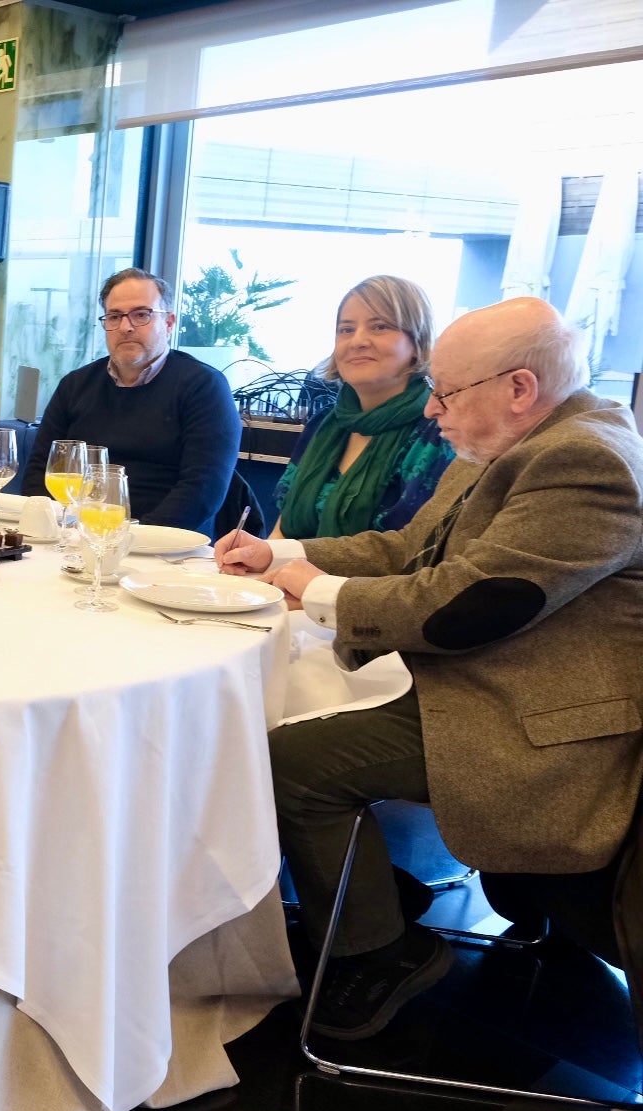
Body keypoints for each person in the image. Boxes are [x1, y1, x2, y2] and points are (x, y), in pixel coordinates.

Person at [217, 297, 643, 1040]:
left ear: (519, 388)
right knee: (290, 705)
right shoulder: (514, 442)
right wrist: (280, 554)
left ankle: (379, 950)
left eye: (446, 392)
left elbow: (467, 604)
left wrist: (313, 591)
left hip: (540, 720)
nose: (431, 409)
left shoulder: (584, 462)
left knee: (293, 761)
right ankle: (365, 889)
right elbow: (408, 549)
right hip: (483, 676)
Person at [22, 268, 239, 531]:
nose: (126, 327)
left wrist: (132, 538)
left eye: (141, 314)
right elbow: (40, 472)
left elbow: (203, 489)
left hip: (165, 542)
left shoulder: (204, 387)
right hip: (75, 534)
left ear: (169, 323)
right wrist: (48, 530)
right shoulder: (75, 385)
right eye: (115, 316)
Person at [273, 276, 453, 539]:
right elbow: (283, 528)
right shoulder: (324, 423)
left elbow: (415, 547)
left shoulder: (440, 432)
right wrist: (256, 555)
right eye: (346, 329)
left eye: (379, 327)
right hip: (290, 565)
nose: (357, 341)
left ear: (417, 342)